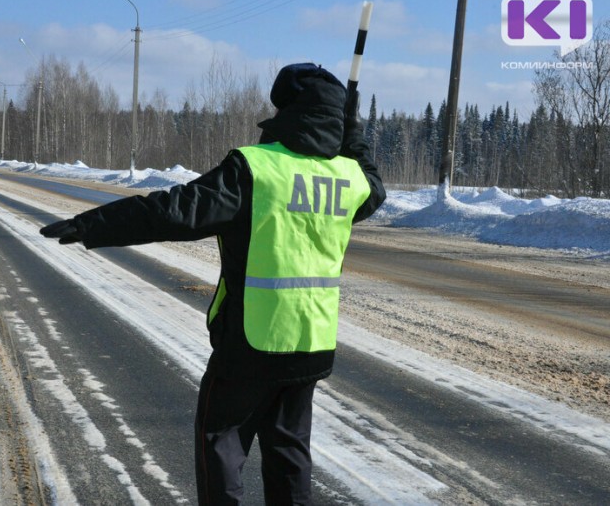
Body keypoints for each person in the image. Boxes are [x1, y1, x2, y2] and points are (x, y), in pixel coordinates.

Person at [40, 62, 385, 505]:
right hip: (311, 343)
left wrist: (94, 225)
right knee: (289, 451)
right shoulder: (349, 179)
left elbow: (176, 211)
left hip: (250, 342)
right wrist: (353, 131)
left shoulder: (256, 170)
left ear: (286, 110)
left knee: (221, 442)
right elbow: (372, 179)